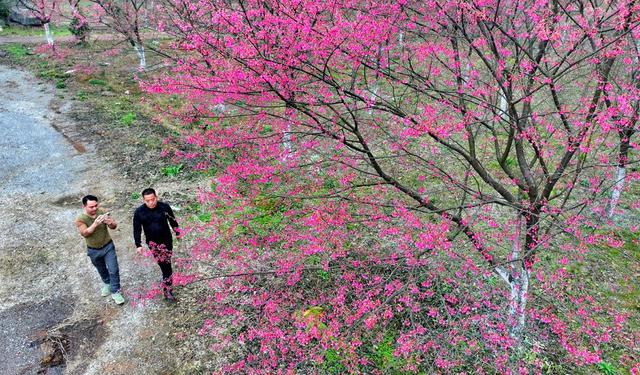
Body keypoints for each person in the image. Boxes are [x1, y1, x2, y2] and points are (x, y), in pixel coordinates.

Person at [75, 195, 125, 305]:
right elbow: (85, 233)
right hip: (93, 250)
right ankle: (107, 283)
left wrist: (110, 223)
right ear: (84, 206)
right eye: (91, 207)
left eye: (96, 206)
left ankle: (115, 290)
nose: (94, 209)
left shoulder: (101, 212)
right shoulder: (80, 219)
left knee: (113, 269)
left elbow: (114, 226)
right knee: (101, 268)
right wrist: (95, 224)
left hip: (108, 246)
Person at [133, 188, 180, 301]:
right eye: (147, 200)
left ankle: (167, 288)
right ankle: (167, 289)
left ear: (156, 197)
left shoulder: (164, 207)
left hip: (167, 240)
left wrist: (177, 232)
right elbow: (137, 229)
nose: (151, 202)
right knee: (164, 265)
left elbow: (172, 220)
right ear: (144, 200)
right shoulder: (139, 212)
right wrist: (138, 245)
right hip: (153, 243)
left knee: (167, 263)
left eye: (153, 199)